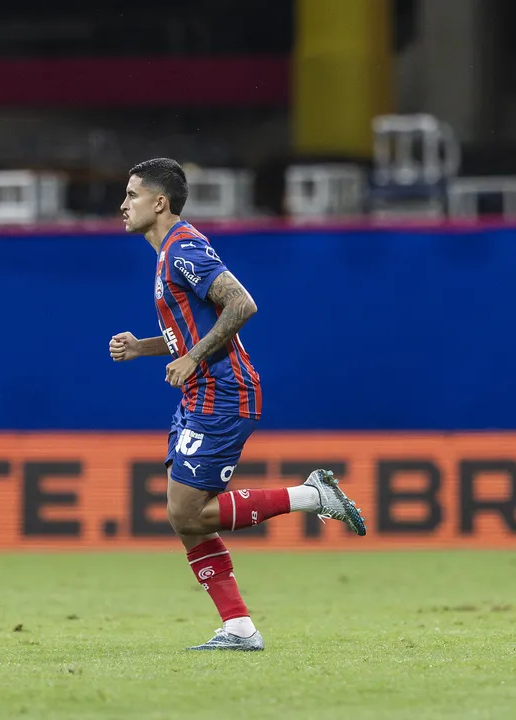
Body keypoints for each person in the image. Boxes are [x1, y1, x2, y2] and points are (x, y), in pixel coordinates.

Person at [109, 158, 366, 651]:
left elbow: (242, 303)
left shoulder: (183, 249)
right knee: (183, 516)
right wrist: (144, 347)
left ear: (159, 203)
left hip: (223, 392)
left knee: (189, 513)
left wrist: (193, 358)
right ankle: (239, 628)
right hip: (200, 393)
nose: (123, 205)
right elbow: (192, 330)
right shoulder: (167, 253)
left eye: (132, 194)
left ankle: (312, 496)